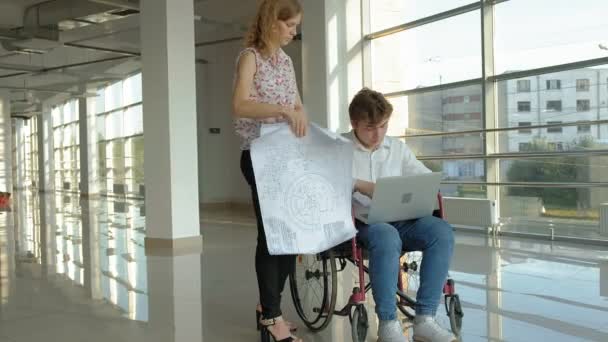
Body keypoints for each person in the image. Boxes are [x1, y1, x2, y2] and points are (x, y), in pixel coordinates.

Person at [347, 88, 457, 342]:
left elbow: (423, 178)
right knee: (385, 235)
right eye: (370, 128)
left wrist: (422, 187)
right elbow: (326, 183)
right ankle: (388, 324)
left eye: (383, 126)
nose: (378, 134)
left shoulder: (396, 148)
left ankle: (425, 319)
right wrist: (360, 184)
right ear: (354, 123)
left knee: (441, 231)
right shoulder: (340, 149)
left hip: (403, 219)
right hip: (364, 223)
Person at [231, 1, 307, 341]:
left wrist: (301, 115)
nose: (294, 31)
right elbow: (240, 104)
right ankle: (272, 317)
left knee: (289, 236)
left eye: (295, 26)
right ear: (272, 23)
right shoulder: (251, 57)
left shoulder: (287, 62)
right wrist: (281, 111)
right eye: (290, 25)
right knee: (271, 236)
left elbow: (297, 105)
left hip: (287, 157)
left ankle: (268, 307)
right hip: (260, 157)